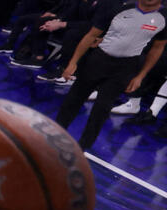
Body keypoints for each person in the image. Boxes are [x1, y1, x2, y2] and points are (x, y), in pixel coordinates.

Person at [55, 0, 166, 149]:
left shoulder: (164, 17)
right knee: (73, 100)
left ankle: (83, 147)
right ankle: (54, 136)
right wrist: (73, 62)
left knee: (101, 110)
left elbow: (158, 47)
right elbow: (91, 35)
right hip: (99, 59)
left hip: (126, 67)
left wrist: (140, 76)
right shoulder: (119, 8)